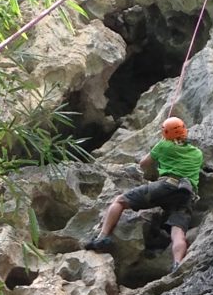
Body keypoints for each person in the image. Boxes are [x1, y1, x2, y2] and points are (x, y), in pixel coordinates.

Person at [85, 117, 203, 272]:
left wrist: (161, 144)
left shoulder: (164, 145)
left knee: (119, 201)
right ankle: (177, 264)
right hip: (185, 193)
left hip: (165, 186)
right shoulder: (197, 153)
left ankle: (102, 238)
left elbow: (143, 163)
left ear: (166, 133)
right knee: (178, 231)